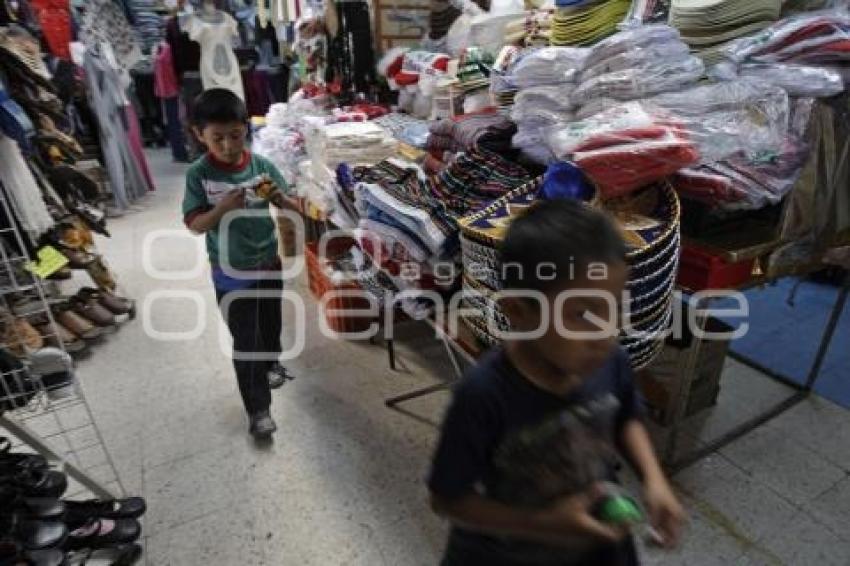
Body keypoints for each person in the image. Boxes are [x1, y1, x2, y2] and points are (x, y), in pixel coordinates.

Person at [428, 199, 685, 565]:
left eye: (612, 307)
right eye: (580, 313)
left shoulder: (609, 361)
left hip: (594, 545)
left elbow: (626, 415)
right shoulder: (484, 395)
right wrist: (545, 524)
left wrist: (654, 480)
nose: (605, 332)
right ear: (518, 312)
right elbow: (447, 498)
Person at [182, 88, 298, 439]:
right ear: (198, 134)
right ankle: (258, 409)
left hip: (268, 262)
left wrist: (280, 198)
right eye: (217, 138)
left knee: (271, 322)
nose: (229, 145)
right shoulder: (198, 174)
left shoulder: (261, 166)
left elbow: (292, 209)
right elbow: (194, 225)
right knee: (246, 341)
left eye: (235, 135)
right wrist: (221, 210)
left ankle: (272, 360)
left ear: (246, 128)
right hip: (230, 272)